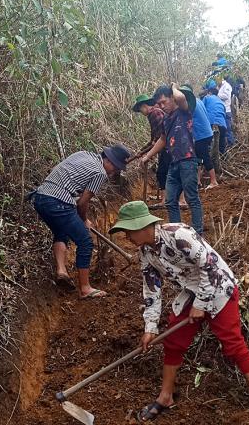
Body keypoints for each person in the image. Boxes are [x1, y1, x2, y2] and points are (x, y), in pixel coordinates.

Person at [109, 201, 249, 423]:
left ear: (142, 226)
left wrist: (201, 304)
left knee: (233, 345)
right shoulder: (145, 254)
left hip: (218, 288)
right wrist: (150, 328)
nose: (127, 237)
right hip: (191, 291)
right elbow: (151, 291)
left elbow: (210, 265)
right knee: (173, 342)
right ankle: (165, 397)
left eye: (128, 231)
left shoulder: (179, 234)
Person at [31, 144, 131, 298]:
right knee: (85, 241)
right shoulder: (100, 173)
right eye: (116, 168)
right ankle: (85, 288)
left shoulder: (83, 154)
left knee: (61, 231)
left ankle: (62, 271)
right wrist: (84, 220)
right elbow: (83, 203)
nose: (114, 172)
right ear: (109, 161)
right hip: (58, 202)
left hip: (40, 197)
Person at [141, 84, 203, 235]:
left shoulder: (184, 110)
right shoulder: (166, 119)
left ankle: (198, 233)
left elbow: (181, 97)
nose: (162, 106)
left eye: (164, 102)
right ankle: (178, 232)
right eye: (159, 104)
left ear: (172, 98)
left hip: (188, 160)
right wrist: (147, 156)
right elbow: (162, 140)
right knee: (170, 201)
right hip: (174, 163)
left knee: (191, 197)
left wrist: (174, 87)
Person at [132, 94, 170, 209]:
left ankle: (165, 200)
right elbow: (154, 139)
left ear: (144, 106)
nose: (141, 112)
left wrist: (148, 153)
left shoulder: (155, 113)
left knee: (163, 172)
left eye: (140, 109)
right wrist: (142, 151)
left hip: (167, 147)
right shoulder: (154, 114)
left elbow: (160, 137)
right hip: (165, 147)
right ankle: (167, 199)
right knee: (164, 172)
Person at [181, 84, 218, 190]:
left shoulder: (190, 105)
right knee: (199, 158)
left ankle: (213, 181)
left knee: (204, 157)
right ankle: (197, 181)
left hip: (201, 134)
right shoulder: (198, 101)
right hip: (207, 133)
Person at [202, 88, 227, 157]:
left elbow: (201, 108)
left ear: (209, 93)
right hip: (222, 124)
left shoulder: (207, 98)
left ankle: (208, 162)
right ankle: (223, 159)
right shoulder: (221, 102)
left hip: (211, 123)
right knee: (221, 144)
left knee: (208, 144)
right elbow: (224, 113)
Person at [218, 76, 235, 147]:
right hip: (222, 110)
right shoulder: (221, 86)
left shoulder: (227, 86)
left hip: (226, 110)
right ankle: (227, 143)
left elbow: (226, 96)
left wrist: (217, 95)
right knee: (224, 128)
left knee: (228, 128)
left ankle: (231, 143)